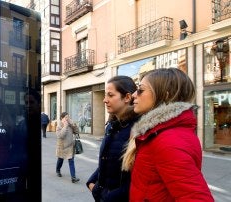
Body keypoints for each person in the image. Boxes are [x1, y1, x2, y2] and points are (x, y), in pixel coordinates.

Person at [122, 68, 214, 201]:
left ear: (165, 95)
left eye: (141, 90)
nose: (134, 95)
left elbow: (196, 197)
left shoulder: (168, 140)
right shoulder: (159, 132)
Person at [86, 76, 139, 201]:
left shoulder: (139, 129)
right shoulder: (112, 125)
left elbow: (134, 178)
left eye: (110, 95)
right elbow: (107, 162)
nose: (105, 100)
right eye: (105, 95)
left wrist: (107, 197)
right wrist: (92, 183)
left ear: (127, 97)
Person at [56, 112, 80, 183]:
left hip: (70, 146)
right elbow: (60, 136)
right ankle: (58, 170)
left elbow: (77, 132)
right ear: (62, 118)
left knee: (71, 161)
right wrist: (65, 127)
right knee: (60, 159)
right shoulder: (59, 125)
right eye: (66, 117)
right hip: (62, 147)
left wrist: (73, 125)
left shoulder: (71, 124)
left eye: (68, 117)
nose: (67, 118)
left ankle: (73, 177)